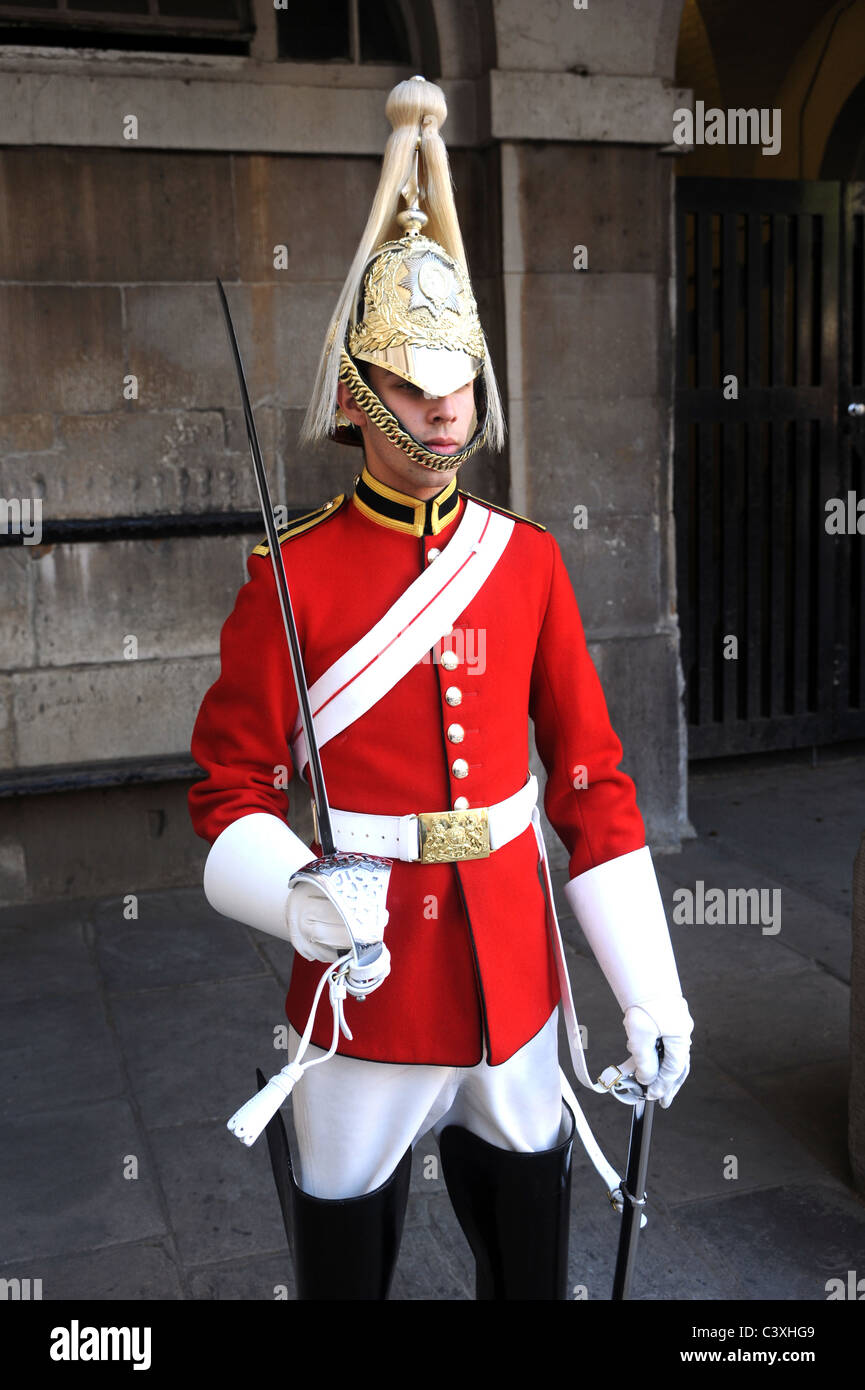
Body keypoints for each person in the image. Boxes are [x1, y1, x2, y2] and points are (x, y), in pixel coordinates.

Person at [188, 75, 693, 1301]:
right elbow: (228, 790)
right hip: (365, 986)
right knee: (344, 1276)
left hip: (515, 979)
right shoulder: (290, 572)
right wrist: (298, 895)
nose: (445, 406)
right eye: (414, 387)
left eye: (457, 379)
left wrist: (649, 984)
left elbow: (590, 781)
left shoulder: (524, 560)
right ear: (360, 395)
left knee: (528, 1266)